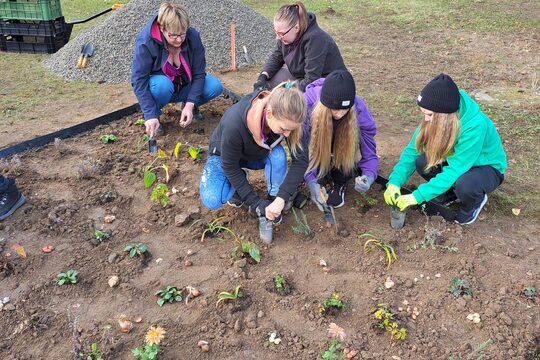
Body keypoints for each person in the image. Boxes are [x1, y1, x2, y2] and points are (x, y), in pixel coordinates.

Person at [384, 74, 507, 225]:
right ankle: (449, 193)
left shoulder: (474, 126)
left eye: (429, 115)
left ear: (444, 116)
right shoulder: (435, 117)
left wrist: (417, 196)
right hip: (458, 162)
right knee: (422, 161)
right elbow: (412, 151)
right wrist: (394, 182)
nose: (426, 119)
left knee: (466, 185)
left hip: (485, 168)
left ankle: (473, 203)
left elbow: (456, 169)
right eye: (424, 113)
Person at [199, 82, 308, 244]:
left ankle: (272, 198)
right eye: (284, 129)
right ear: (269, 114)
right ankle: (237, 185)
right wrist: (256, 202)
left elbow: (301, 160)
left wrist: (281, 198)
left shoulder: (290, 119)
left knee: (278, 156)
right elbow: (229, 165)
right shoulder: (234, 124)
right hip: (224, 157)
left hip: (257, 154)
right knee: (212, 198)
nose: (287, 134)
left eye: (291, 130)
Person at [131, 2, 223, 137]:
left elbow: (199, 74)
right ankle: (155, 116)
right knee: (162, 85)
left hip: (184, 87)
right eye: (173, 35)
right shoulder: (146, 41)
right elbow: (138, 80)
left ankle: (187, 106)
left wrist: (190, 104)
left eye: (182, 34)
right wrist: (150, 114)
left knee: (214, 86)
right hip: (161, 90)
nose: (179, 40)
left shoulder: (193, 37)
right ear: (162, 29)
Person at [303, 70, 378, 210]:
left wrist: (368, 176)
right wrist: (310, 180)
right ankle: (319, 170)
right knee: (314, 167)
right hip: (317, 143)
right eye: (335, 109)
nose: (339, 114)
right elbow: (300, 150)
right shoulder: (306, 105)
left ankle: (340, 180)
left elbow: (369, 153)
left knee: (350, 142)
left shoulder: (359, 111)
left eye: (344, 110)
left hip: (342, 143)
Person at [253, 1, 346, 92]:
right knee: (270, 79)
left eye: (281, 33)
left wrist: (287, 88)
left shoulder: (316, 39)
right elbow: (276, 58)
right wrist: (263, 76)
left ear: (296, 28)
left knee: (286, 98)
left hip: (329, 86)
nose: (278, 37)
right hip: (302, 78)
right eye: (276, 32)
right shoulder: (286, 36)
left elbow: (311, 80)